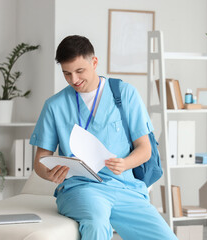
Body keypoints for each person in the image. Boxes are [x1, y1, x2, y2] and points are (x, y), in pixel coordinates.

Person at [30, 35, 177, 240]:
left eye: (79, 71)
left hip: (125, 188)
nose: (74, 80)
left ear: (94, 62)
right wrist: (49, 173)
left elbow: (145, 149)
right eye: (67, 73)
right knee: (97, 223)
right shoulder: (54, 106)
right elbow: (39, 161)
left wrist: (125, 163)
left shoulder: (125, 94)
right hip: (81, 189)